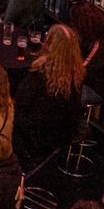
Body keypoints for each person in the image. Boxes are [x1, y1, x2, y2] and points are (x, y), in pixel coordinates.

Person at [15, 23, 87, 164]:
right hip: (61, 134)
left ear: (50, 44)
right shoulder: (77, 73)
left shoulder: (40, 73)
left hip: (33, 134)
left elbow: (20, 102)